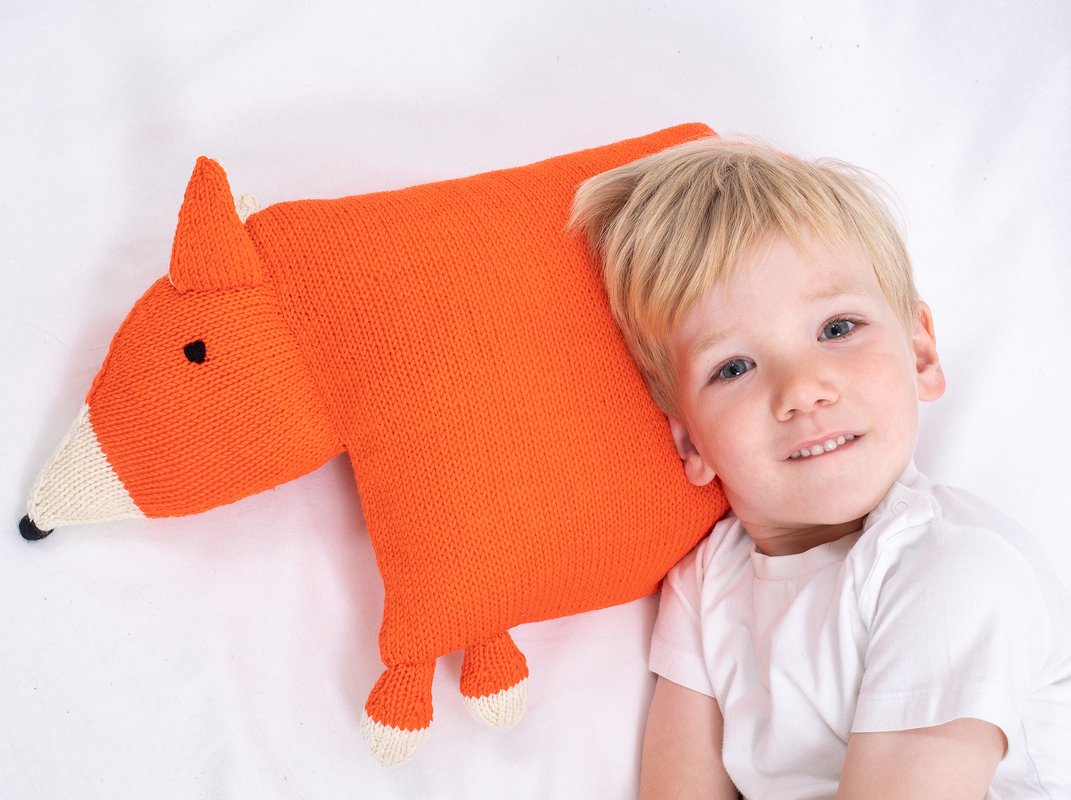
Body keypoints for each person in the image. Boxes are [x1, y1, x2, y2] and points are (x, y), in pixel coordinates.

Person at [569, 138, 1071, 799]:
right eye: (734, 367)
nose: (802, 390)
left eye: (836, 329)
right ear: (689, 441)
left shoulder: (957, 568)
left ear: (919, 353)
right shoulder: (705, 584)